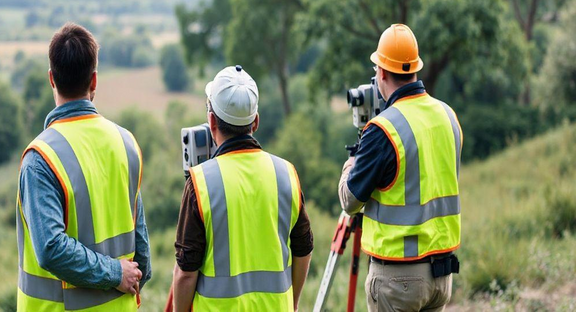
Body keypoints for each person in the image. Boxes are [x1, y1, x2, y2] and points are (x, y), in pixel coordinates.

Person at [16, 23, 151, 311]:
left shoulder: (41, 158)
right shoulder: (126, 143)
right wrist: (121, 275)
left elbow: (50, 249)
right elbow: (143, 253)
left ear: (52, 79)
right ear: (94, 81)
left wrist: (114, 273)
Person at [338, 24, 462, 312]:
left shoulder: (383, 129)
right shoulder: (448, 116)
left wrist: (351, 163)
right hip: (441, 275)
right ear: (415, 70)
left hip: (398, 280)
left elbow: (350, 200)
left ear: (381, 72)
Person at [172, 65, 314, 311]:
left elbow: (186, 273)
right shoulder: (286, 173)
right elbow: (304, 249)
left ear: (212, 120)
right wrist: (292, 304)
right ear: (255, 122)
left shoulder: (200, 183)